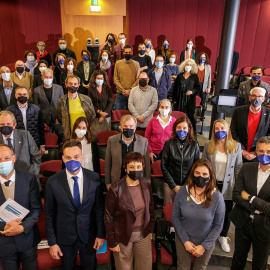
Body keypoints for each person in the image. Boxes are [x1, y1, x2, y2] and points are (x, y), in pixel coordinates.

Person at [45, 140, 105, 270]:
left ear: (82, 157)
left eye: (76, 157)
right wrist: (52, 242)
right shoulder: (53, 181)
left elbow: (99, 209)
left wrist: (101, 234)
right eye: (68, 157)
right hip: (64, 237)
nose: (72, 160)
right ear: (63, 158)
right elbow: (49, 214)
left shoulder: (94, 178)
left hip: (89, 235)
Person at [104, 151, 155, 270]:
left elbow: (151, 207)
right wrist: (112, 241)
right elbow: (108, 216)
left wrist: (151, 229)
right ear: (125, 168)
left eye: (138, 166)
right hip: (122, 236)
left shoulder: (147, 183)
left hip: (143, 235)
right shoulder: (115, 188)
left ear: (142, 167)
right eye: (131, 167)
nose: (135, 170)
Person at [172, 159, 225, 270]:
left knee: (200, 268)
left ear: (210, 176)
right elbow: (175, 217)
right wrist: (185, 241)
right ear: (193, 174)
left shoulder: (217, 197)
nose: (201, 176)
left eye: (205, 174)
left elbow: (218, 226)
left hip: (206, 241)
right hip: (183, 240)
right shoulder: (182, 191)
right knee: (182, 267)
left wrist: (204, 246)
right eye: (197, 173)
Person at [230, 136, 270, 270]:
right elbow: (236, 195)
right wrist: (258, 208)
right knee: (237, 260)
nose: (265, 154)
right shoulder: (247, 168)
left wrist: (251, 198)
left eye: (269, 152)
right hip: (243, 222)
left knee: (259, 264)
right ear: (256, 152)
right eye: (261, 151)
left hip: (265, 227)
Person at [202, 119, 242, 253]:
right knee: (210, 210)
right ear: (213, 130)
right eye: (217, 129)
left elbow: (238, 168)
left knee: (227, 212)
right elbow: (204, 166)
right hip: (212, 184)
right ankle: (209, 234)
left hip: (229, 185)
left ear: (228, 129)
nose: (220, 131)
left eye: (222, 128)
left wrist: (238, 187)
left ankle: (223, 236)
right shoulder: (208, 145)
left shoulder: (236, 146)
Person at [0, 144, 42, 270]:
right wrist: (4, 227)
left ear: (14, 158)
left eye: (6, 158)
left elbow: (37, 209)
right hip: (3, 243)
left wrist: (22, 227)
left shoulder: (29, 178)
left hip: (28, 240)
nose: (3, 162)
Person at [105, 115, 151, 190]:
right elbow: (108, 163)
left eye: (131, 126)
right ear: (121, 127)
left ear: (135, 128)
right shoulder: (111, 140)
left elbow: (147, 165)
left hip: (137, 180)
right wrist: (108, 182)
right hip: (117, 180)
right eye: (125, 126)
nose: (128, 128)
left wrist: (147, 182)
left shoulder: (143, 141)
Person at [161, 116, 200, 205]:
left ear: (189, 129)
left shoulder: (194, 144)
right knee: (168, 210)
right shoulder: (169, 143)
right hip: (170, 184)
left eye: (184, 128)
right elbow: (163, 166)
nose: (182, 130)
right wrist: (174, 186)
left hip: (188, 185)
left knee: (185, 209)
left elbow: (196, 166)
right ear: (175, 128)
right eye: (179, 127)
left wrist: (186, 185)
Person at [231, 87, 270, 162]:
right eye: (254, 96)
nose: (256, 98)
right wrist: (242, 150)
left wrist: (256, 152)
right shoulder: (238, 111)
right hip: (239, 153)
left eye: (259, 96)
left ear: (263, 99)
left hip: (259, 155)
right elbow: (233, 131)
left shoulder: (269, 114)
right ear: (249, 98)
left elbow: (269, 135)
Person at [0, 111, 41, 177]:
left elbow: (37, 157)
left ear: (14, 125)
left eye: (8, 124)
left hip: (27, 177)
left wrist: (30, 175)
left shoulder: (25, 135)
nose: (5, 127)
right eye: (2, 124)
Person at [7, 86, 45, 154]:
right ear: (15, 96)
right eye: (19, 94)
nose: (22, 96)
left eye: (24, 94)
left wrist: (42, 145)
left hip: (34, 141)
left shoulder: (36, 109)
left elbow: (41, 128)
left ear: (28, 95)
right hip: (17, 143)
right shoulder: (9, 110)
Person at [57, 75, 95, 141]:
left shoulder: (86, 99)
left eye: (75, 84)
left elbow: (92, 115)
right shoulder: (61, 101)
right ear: (66, 85)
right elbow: (60, 118)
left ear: (78, 85)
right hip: (70, 136)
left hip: (85, 135)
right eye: (70, 83)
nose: (73, 86)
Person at [33, 68, 64, 137]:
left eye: (50, 77)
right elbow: (36, 107)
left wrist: (60, 118)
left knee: (60, 138)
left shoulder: (59, 88)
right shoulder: (36, 90)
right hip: (45, 120)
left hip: (57, 119)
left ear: (52, 78)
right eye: (46, 77)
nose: (48, 79)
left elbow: (62, 105)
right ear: (42, 78)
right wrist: (41, 121)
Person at [173, 59, 200, 132]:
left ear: (192, 67)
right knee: (179, 118)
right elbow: (174, 88)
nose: (188, 66)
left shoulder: (194, 76)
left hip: (190, 100)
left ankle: (192, 134)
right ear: (184, 66)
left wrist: (192, 91)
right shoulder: (179, 76)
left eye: (190, 65)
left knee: (190, 118)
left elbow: (198, 88)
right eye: (187, 65)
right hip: (180, 100)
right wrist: (174, 100)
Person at [88, 70, 114, 138]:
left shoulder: (108, 88)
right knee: (96, 137)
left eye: (101, 78)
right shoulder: (90, 89)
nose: (100, 80)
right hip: (95, 116)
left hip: (106, 115)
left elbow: (110, 101)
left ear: (104, 79)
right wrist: (99, 112)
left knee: (106, 136)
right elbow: (90, 104)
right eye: (98, 78)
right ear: (94, 79)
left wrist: (103, 114)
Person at [114, 45, 140, 110]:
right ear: (123, 53)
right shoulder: (118, 63)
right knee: (117, 114)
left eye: (129, 52)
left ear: (132, 53)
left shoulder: (136, 64)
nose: (128, 54)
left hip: (132, 93)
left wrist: (130, 90)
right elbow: (115, 79)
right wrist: (123, 90)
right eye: (126, 52)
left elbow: (138, 79)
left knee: (132, 115)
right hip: (120, 93)